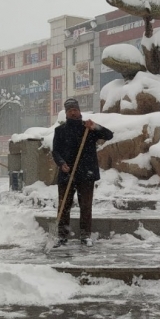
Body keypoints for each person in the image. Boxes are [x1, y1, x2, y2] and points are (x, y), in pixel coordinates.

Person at [51, 98, 113, 247]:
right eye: (70, 110)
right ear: (66, 113)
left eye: (75, 109)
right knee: (64, 205)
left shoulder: (88, 128)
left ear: (79, 111)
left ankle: (85, 235)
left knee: (85, 205)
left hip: (86, 173)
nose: (73, 112)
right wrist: (61, 163)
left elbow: (109, 135)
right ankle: (62, 235)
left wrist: (95, 127)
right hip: (67, 173)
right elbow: (56, 151)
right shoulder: (60, 130)